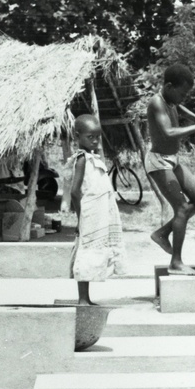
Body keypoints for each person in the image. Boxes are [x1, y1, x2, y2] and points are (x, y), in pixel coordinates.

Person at [145, 64, 195, 275]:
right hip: (159, 162)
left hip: (172, 160)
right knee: (182, 208)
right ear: (169, 86)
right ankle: (176, 262)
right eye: (182, 94)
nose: (183, 98)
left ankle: (162, 233)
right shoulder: (157, 102)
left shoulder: (171, 100)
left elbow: (179, 107)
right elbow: (168, 132)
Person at [69, 114, 126, 305]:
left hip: (98, 215)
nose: (94, 141)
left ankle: (86, 298)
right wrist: (80, 218)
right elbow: (75, 191)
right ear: (77, 136)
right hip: (89, 215)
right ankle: (83, 299)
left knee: (93, 253)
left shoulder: (92, 157)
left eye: (97, 137)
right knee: (86, 254)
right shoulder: (81, 159)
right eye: (89, 137)